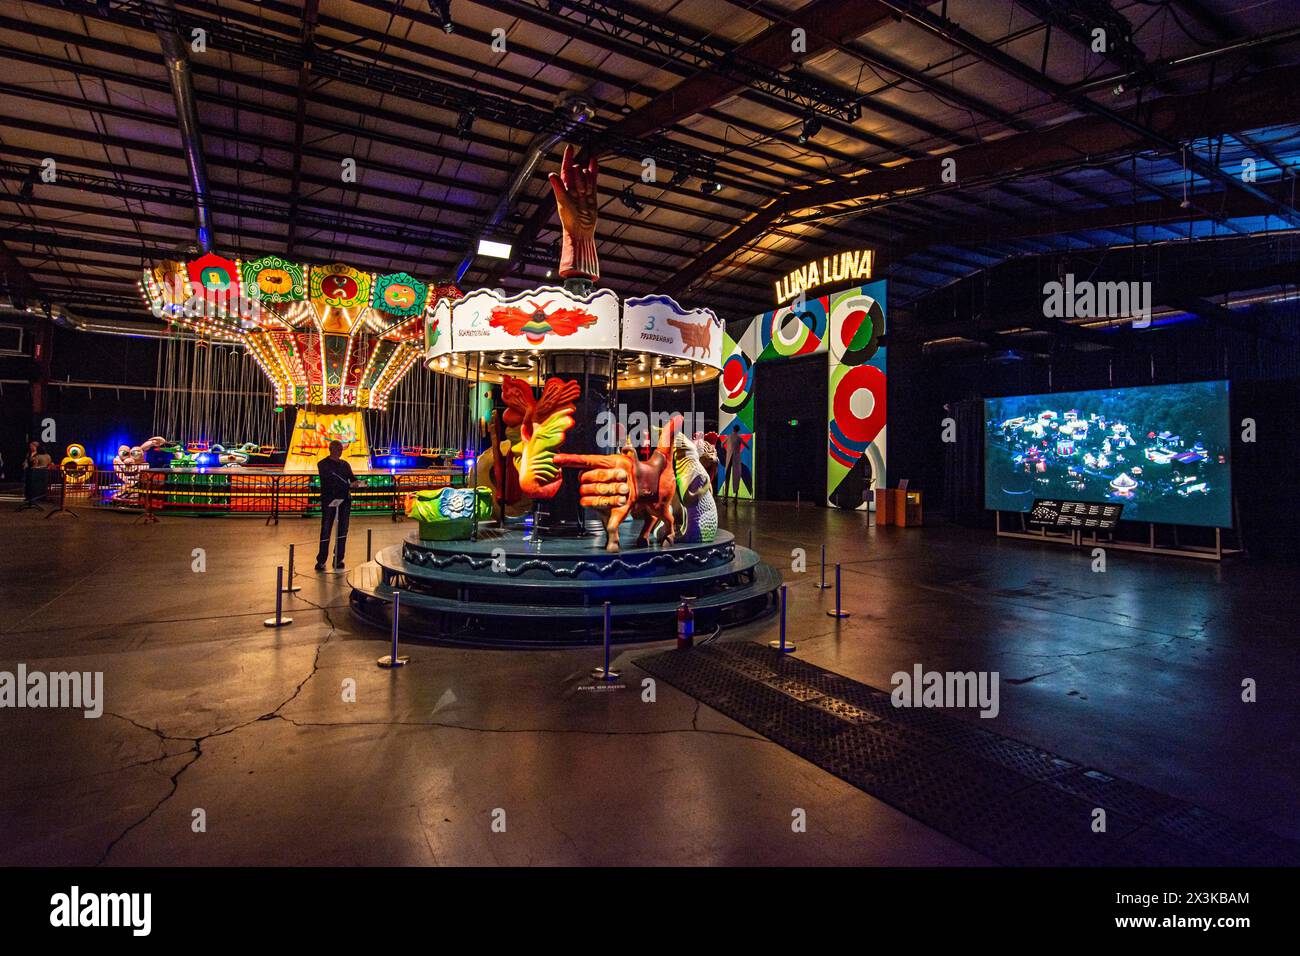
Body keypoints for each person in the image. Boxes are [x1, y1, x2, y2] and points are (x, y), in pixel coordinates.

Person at [316, 440, 360, 571]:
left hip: (344, 501)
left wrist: (358, 483)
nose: (341, 452)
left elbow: (351, 478)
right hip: (330, 500)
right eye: (339, 449)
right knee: (326, 530)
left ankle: (339, 558)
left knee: (342, 530)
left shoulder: (345, 464)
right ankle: (321, 559)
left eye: (341, 449)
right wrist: (348, 485)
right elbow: (331, 480)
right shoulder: (323, 464)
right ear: (332, 449)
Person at [21, 441, 53, 507]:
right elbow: (50, 464)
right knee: (39, 485)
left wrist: (34, 466)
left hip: (35, 472)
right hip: (41, 472)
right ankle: (35, 497)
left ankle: (34, 497)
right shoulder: (47, 456)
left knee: (35, 485)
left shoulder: (38, 456)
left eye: (31, 446)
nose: (30, 447)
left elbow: (35, 465)